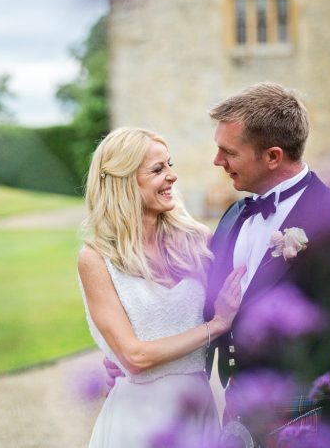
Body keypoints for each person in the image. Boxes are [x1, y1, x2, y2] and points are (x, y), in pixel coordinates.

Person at [205, 82, 330, 444]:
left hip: (307, 423)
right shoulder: (232, 216)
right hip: (238, 415)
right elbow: (209, 312)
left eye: (227, 151)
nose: (217, 161)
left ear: (273, 156)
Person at [78, 127, 246, 447]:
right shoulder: (96, 258)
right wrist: (216, 325)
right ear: (124, 181)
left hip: (195, 409)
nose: (172, 176)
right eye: (158, 170)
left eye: (169, 165)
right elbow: (134, 356)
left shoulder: (199, 242)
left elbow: (240, 308)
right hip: (136, 419)